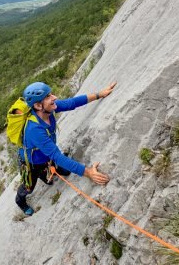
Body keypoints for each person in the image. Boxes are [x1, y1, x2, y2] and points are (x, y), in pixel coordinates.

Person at [15, 81, 117, 216]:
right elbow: (57, 156)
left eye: (50, 94)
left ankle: (45, 175)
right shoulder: (34, 129)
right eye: (48, 97)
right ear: (38, 105)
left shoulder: (49, 109)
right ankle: (20, 200)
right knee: (29, 186)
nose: (54, 98)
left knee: (63, 173)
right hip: (32, 163)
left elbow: (71, 103)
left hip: (47, 156)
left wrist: (99, 94)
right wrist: (88, 172)